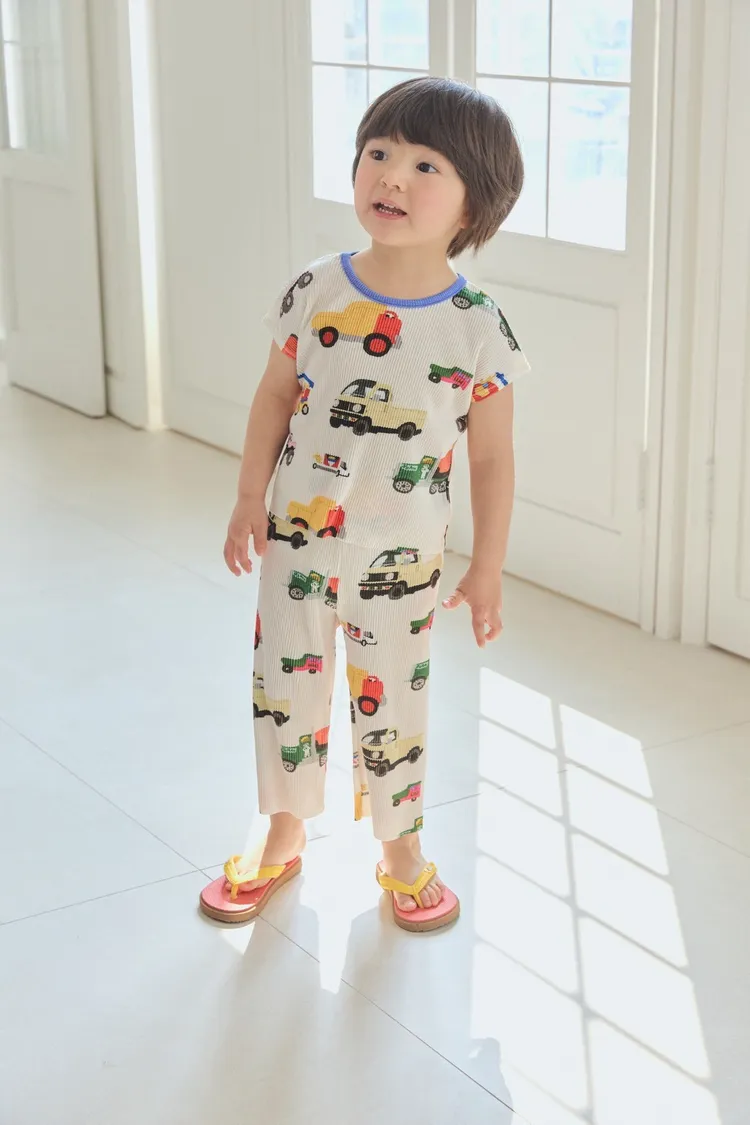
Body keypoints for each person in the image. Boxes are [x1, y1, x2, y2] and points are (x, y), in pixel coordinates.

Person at [200, 76, 530, 933]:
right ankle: (283, 829)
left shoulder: (476, 324)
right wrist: (248, 496)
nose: (391, 175)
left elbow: (492, 457)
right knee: (285, 687)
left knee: (394, 704)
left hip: (404, 555)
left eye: (426, 165)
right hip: (299, 541)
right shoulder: (316, 287)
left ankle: (400, 845)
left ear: (474, 204)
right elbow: (276, 396)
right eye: (379, 153)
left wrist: (488, 565)